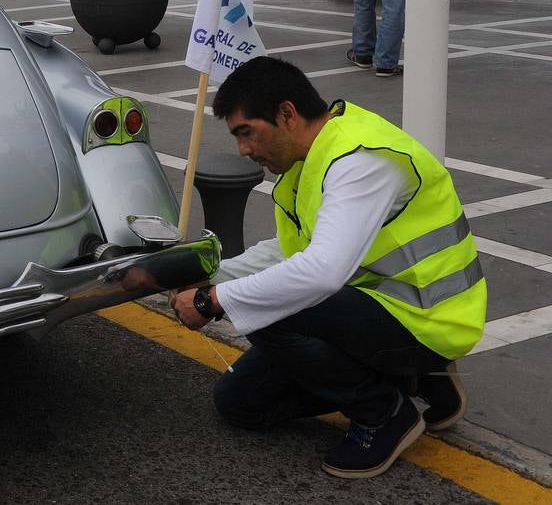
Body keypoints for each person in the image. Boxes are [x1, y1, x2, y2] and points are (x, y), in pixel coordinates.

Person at [171, 56, 486, 480]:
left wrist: (213, 301)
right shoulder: (310, 157)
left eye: (247, 133)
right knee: (240, 404)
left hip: (428, 319)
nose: (244, 150)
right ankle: (412, 378)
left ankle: (384, 413)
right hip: (370, 308)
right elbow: (289, 252)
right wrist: (209, 276)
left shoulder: (360, 160)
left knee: (275, 308)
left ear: (286, 113)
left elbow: (320, 273)